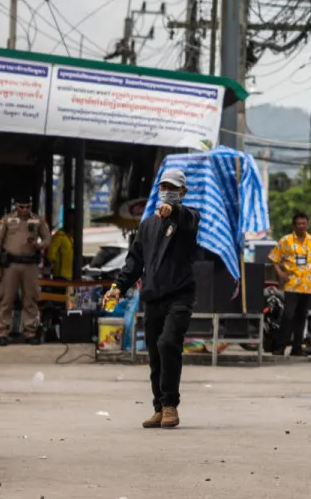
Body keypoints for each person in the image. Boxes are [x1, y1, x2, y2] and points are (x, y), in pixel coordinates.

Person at [102, 166, 204, 429]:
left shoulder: (189, 218)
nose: (167, 192)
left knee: (169, 343)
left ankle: (171, 405)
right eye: (164, 187)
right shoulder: (147, 225)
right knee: (155, 352)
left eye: (172, 188)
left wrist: (175, 211)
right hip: (153, 297)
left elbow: (188, 219)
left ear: (183, 192)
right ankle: (159, 407)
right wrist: (118, 287)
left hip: (180, 295)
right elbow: (134, 262)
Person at [0, 196, 47, 345]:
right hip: (11, 265)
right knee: (6, 299)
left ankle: (30, 332)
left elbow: (48, 239)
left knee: (31, 299)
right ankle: (3, 331)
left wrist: (39, 245)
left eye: (27, 207)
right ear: (16, 205)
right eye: (21, 207)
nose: (24, 210)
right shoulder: (7, 220)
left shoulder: (37, 220)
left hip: (30, 265)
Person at [270, 211, 311, 357]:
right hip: (292, 284)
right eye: (298, 223)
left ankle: (297, 347)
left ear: (308, 224)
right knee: (288, 315)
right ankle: (280, 346)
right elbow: (274, 258)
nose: (301, 226)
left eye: (304, 223)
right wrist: (280, 273)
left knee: (302, 316)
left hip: (308, 284)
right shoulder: (286, 240)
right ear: (294, 225)